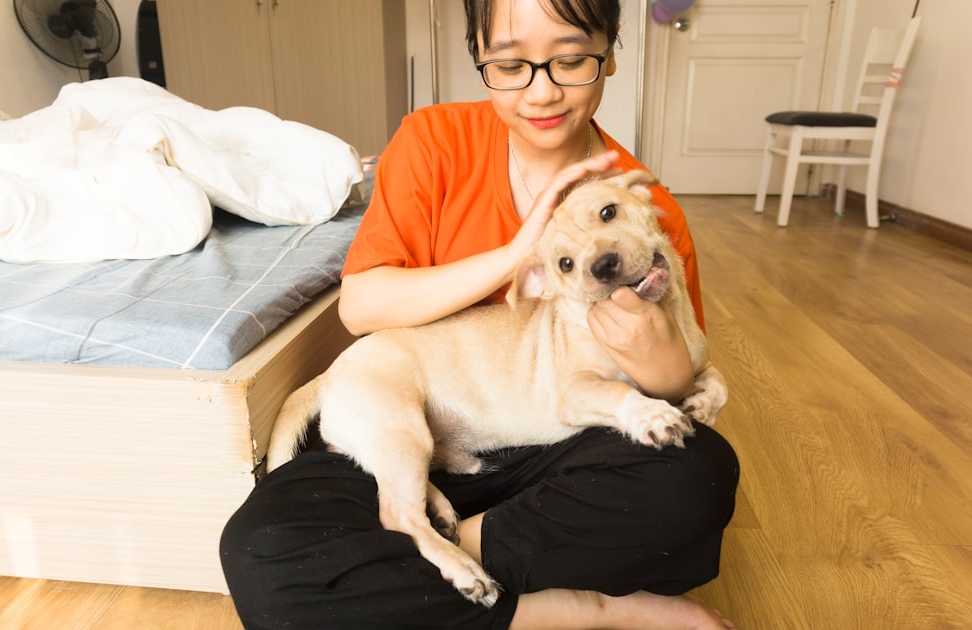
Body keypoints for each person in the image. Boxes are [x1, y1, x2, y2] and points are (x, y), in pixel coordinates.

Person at [219, 1, 739, 628]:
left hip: (559, 448)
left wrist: (666, 366)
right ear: (479, 57)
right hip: (416, 428)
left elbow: (676, 393)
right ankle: (581, 609)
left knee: (699, 473)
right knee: (256, 545)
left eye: (571, 59)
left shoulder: (647, 211)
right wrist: (520, 254)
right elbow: (361, 307)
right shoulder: (432, 141)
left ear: (611, 50)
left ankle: (410, 563)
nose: (542, 89)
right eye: (512, 64)